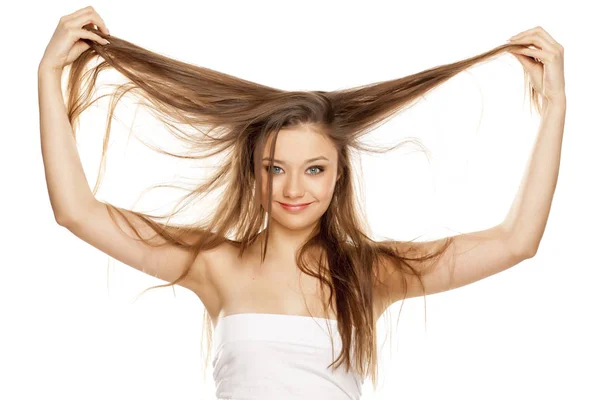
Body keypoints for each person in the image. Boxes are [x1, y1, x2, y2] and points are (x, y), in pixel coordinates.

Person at [38, 6, 566, 399]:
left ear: (339, 176)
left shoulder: (370, 274)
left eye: (314, 169)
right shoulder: (214, 264)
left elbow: (516, 242)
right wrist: (47, 75)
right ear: (254, 173)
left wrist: (555, 110)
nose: (294, 189)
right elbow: (77, 212)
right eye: (275, 169)